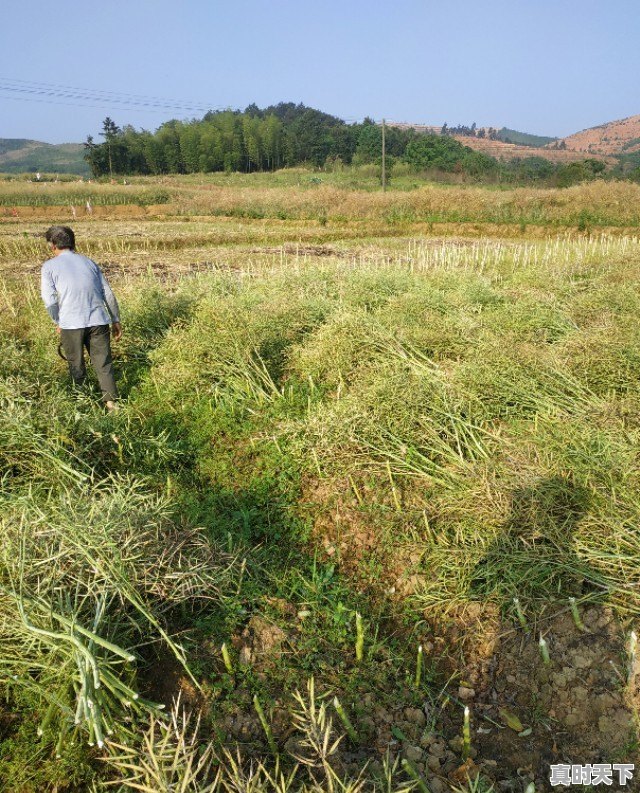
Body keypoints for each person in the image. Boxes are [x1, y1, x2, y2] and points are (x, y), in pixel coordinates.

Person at [40, 225, 122, 411]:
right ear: (72, 243)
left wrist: (58, 321)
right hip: (99, 320)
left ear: (52, 245)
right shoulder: (89, 262)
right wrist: (115, 318)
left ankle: (83, 404)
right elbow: (107, 293)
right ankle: (111, 403)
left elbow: (49, 299)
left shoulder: (49, 267)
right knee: (103, 362)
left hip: (71, 323)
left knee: (76, 364)